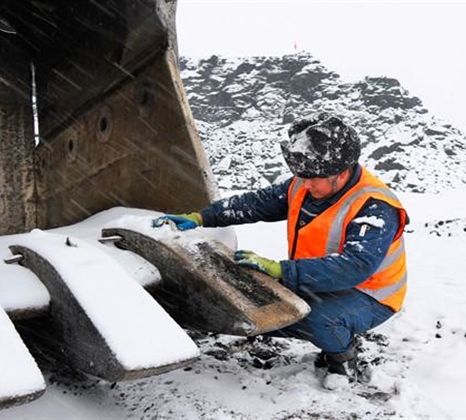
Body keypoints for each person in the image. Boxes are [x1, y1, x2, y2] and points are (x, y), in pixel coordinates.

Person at [154, 111, 408, 389]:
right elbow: (257, 203)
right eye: (301, 176)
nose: (305, 184)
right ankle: (333, 329)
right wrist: (201, 217)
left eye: (314, 178)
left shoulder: (374, 206)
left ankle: (343, 357)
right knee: (271, 313)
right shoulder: (305, 183)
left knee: (317, 320)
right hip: (317, 279)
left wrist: (281, 271)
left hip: (372, 294)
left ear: (342, 172)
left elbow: (354, 267)